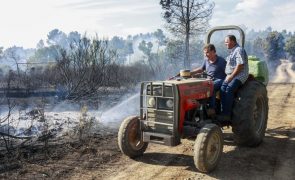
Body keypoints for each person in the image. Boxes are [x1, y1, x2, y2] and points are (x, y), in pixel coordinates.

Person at [217, 35, 249, 121]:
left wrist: (231, 76)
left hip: (240, 74)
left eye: (227, 42)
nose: (225, 43)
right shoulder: (232, 51)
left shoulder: (239, 50)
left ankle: (227, 114)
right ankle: (222, 111)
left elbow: (240, 66)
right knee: (222, 88)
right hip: (231, 74)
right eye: (225, 42)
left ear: (233, 41)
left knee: (229, 88)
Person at [191, 44, 226, 116]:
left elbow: (228, 72)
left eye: (207, 52)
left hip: (220, 80)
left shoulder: (221, 61)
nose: (205, 54)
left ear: (213, 52)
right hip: (209, 80)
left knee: (211, 86)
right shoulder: (206, 60)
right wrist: (191, 72)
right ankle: (198, 106)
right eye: (204, 53)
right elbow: (201, 69)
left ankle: (211, 108)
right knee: (198, 86)